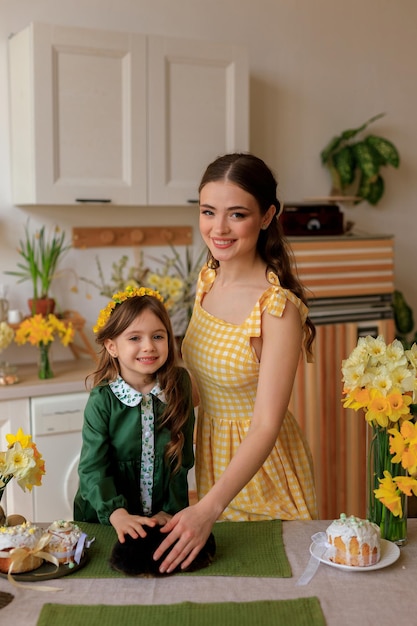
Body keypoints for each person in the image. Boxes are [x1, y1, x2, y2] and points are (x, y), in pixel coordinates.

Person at [153, 152, 318, 574]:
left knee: (268, 592)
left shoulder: (276, 309)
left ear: (266, 217)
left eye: (237, 214)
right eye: (208, 212)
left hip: (262, 474)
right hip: (215, 466)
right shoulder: (208, 278)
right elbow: (198, 377)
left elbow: (266, 424)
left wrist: (208, 507)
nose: (218, 228)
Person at [73, 286, 196, 543]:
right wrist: (116, 514)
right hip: (106, 520)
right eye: (134, 338)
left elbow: (181, 459)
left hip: (160, 519)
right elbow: (92, 468)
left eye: (158, 336)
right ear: (112, 346)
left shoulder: (179, 385)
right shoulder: (102, 400)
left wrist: (171, 510)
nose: (148, 347)